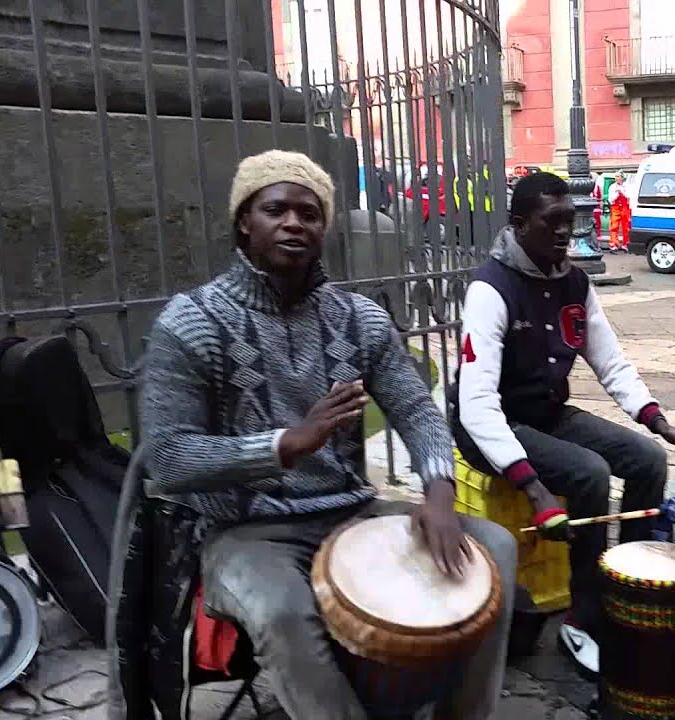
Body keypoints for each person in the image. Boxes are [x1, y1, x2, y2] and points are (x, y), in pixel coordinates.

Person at [139, 150, 518, 720]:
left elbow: (417, 410)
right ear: (245, 220)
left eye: (309, 213)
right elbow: (169, 459)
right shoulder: (191, 322)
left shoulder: (357, 318)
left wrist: (440, 492)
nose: (294, 222)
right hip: (244, 531)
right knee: (283, 612)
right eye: (276, 209)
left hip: (351, 512)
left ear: (324, 227)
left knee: (496, 548)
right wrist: (288, 442)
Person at [452, 171, 675, 676]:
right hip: (489, 425)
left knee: (646, 459)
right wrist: (532, 487)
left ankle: (630, 583)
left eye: (570, 221)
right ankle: (584, 617)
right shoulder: (490, 289)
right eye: (551, 222)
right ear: (518, 226)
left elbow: (610, 361)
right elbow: (475, 404)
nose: (564, 232)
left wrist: (657, 420)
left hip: (545, 414)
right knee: (589, 474)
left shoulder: (574, 282)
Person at [608, 170, 631, 252]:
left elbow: (629, 196)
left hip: (625, 208)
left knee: (626, 227)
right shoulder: (612, 187)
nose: (616, 178)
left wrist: (622, 192)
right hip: (615, 208)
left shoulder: (627, 186)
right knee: (614, 226)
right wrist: (617, 194)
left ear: (622, 177)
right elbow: (610, 199)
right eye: (615, 177)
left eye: (618, 176)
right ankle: (613, 244)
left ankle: (626, 244)